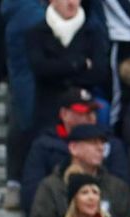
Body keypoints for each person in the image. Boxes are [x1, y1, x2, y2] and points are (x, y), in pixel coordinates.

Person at [20, 87, 130, 214]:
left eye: (93, 112)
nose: (90, 117)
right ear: (64, 114)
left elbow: (122, 191)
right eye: (83, 112)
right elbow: (31, 195)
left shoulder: (112, 144)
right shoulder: (44, 145)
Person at [30, 124, 130, 217]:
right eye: (93, 143)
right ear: (73, 148)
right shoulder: (51, 187)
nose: (100, 148)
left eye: (102, 144)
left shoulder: (118, 187)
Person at [26, 0, 109, 132]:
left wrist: (58, 71)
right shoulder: (36, 33)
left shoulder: (93, 33)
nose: (71, 2)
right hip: (48, 111)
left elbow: (99, 73)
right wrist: (79, 63)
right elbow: (40, 68)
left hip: (83, 109)